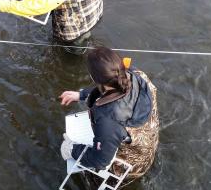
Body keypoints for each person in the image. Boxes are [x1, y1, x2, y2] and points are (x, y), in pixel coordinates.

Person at [59, 47, 159, 182]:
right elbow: (112, 87)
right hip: (147, 146)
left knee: (90, 170)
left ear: (93, 78)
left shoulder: (108, 118)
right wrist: (82, 95)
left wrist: (71, 149)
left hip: (131, 168)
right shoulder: (137, 75)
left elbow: (101, 161)